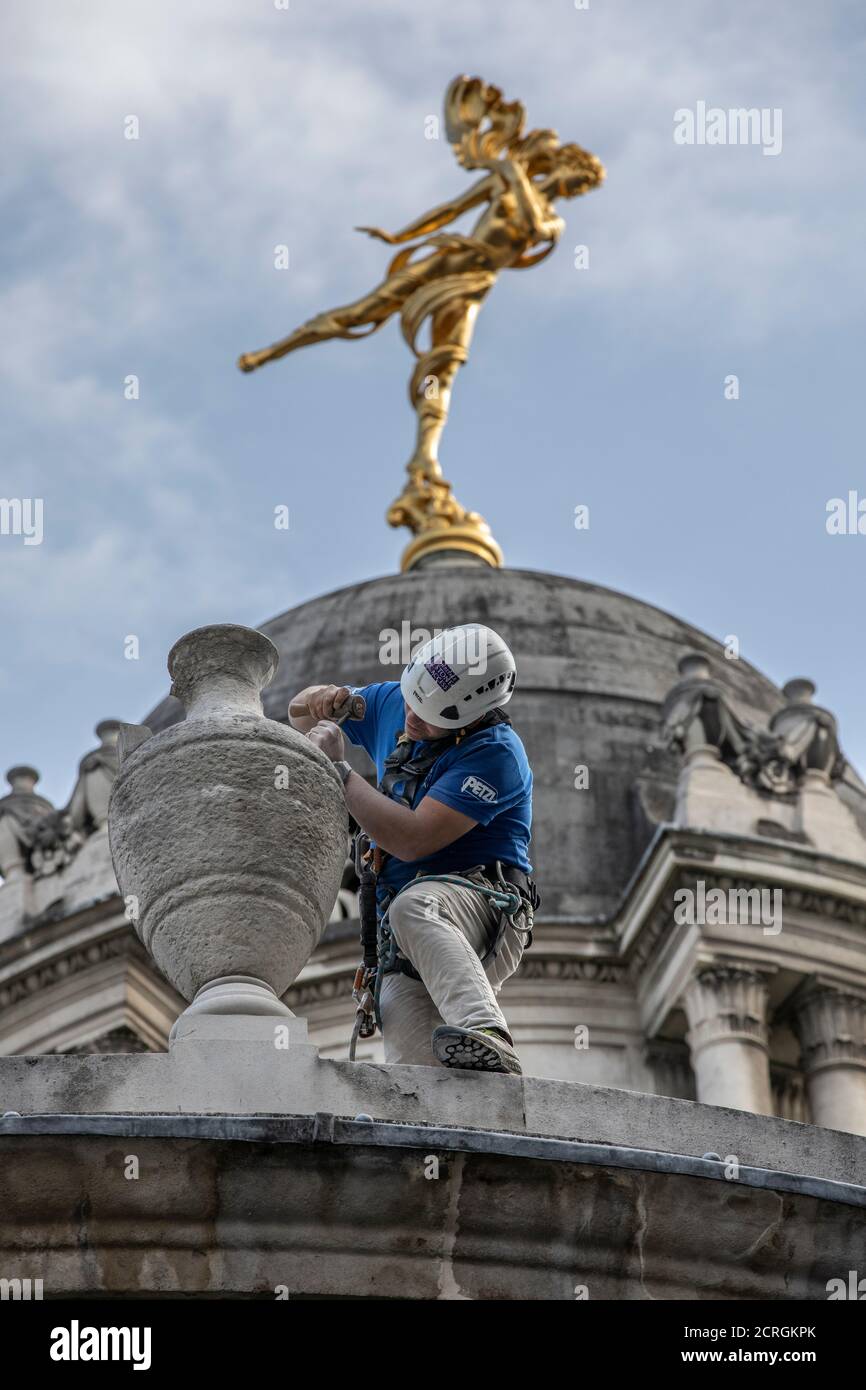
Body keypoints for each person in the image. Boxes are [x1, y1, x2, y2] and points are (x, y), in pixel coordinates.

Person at [289, 623, 537, 1074]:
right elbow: (299, 716)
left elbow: (412, 839)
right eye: (411, 701)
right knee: (408, 1057)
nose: (412, 719)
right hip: (401, 940)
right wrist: (319, 698)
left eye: (432, 717)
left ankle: (486, 1030)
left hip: (481, 907)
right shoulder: (397, 700)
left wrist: (343, 773)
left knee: (416, 906)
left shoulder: (497, 755)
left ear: (471, 718)